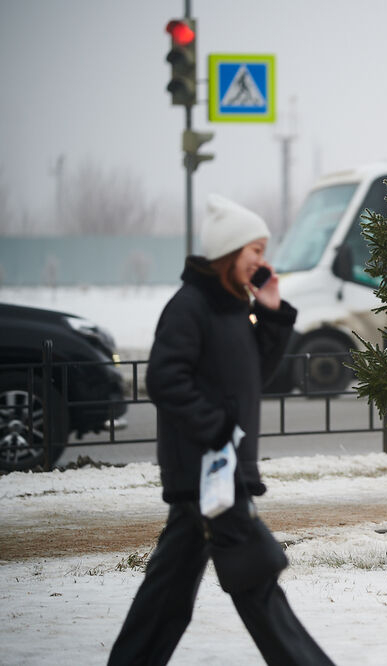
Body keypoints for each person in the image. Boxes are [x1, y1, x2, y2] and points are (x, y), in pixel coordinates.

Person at [108, 195, 334, 665]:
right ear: (230, 253)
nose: (262, 260)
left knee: (167, 594)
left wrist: (271, 311)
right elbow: (165, 378)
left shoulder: (233, 307)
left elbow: (258, 375)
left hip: (213, 471)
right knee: (256, 580)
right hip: (209, 469)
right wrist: (215, 430)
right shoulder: (191, 306)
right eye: (254, 249)